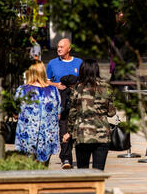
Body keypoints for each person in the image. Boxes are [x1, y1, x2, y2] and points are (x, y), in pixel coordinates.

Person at [63, 59, 116, 170]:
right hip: (102, 135)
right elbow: (112, 112)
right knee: (99, 171)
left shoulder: (78, 88)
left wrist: (69, 132)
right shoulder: (106, 87)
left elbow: (73, 113)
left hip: (82, 135)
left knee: (83, 172)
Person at [14, 62, 61, 165]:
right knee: (43, 171)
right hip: (47, 138)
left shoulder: (22, 90)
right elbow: (58, 115)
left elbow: (15, 113)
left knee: (28, 170)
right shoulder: (54, 91)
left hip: (27, 138)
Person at [47, 38, 82, 169]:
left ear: (69, 48)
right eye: (58, 47)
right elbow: (45, 81)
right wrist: (55, 84)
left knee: (76, 130)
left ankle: (81, 157)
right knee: (64, 128)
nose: (59, 49)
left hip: (77, 101)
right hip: (60, 101)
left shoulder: (79, 62)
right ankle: (66, 158)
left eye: (62, 47)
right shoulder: (52, 63)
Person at [58, 74, 78, 168]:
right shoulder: (72, 91)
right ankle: (66, 158)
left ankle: (66, 159)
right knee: (69, 138)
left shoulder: (61, 91)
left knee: (64, 137)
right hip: (71, 117)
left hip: (64, 119)